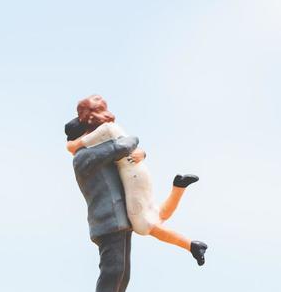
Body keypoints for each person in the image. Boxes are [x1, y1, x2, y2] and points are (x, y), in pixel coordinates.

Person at [67, 99, 206, 266]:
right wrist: (142, 152)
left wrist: (72, 142)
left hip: (132, 177)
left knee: (145, 226)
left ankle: (192, 245)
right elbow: (130, 144)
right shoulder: (113, 129)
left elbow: (74, 146)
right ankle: (179, 187)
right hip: (140, 170)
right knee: (159, 214)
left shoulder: (102, 132)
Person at [67, 105, 141, 292]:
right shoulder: (84, 157)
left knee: (122, 273)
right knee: (112, 271)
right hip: (108, 221)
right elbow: (122, 145)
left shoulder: (91, 155)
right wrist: (125, 137)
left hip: (119, 220)